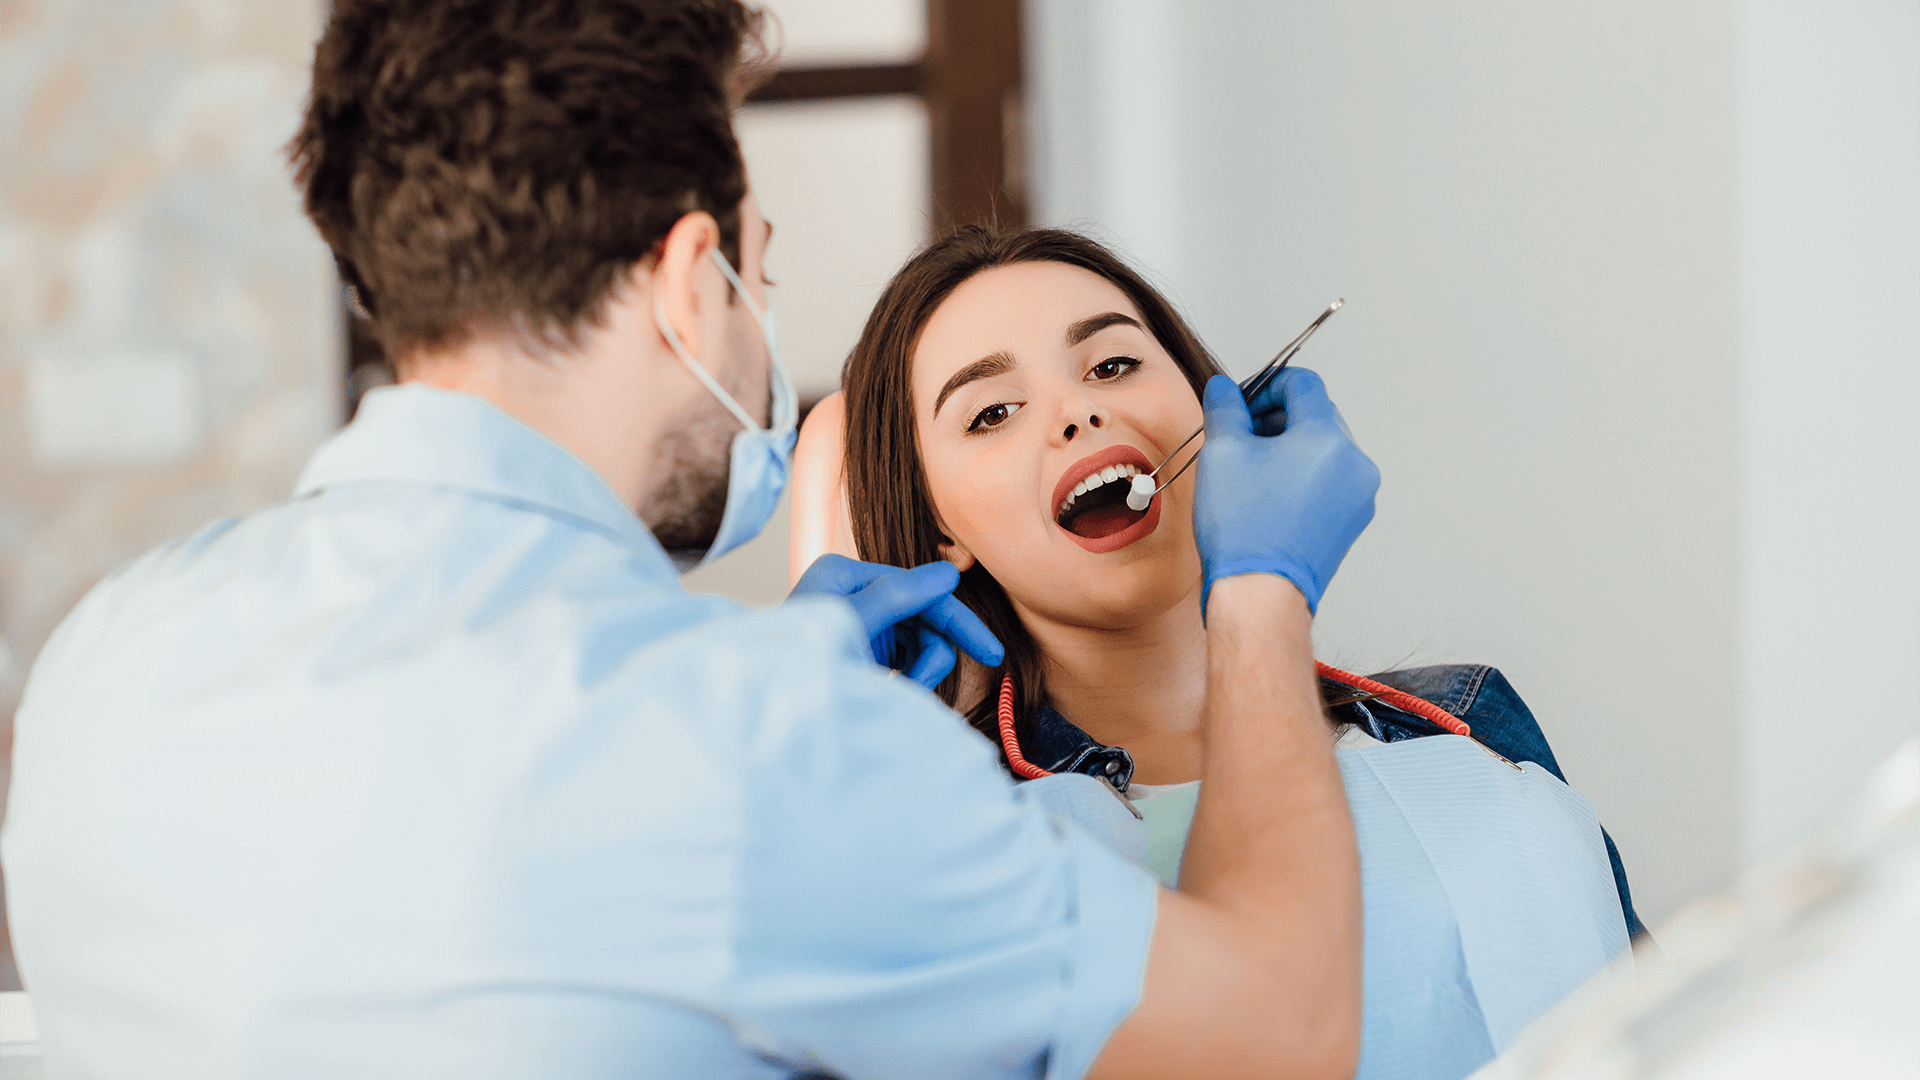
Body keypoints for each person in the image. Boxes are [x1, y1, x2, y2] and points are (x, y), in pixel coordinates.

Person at [0, 3, 1379, 1078]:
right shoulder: (752, 744)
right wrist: (1259, 591)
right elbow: (1278, 1032)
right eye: (758, 275)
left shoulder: (106, 655)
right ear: (686, 281)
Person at [824, 225, 1642, 1079]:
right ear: (943, 526)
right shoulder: (949, 838)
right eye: (992, 412)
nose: (1078, 412)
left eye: (1111, 365)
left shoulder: (1464, 717)